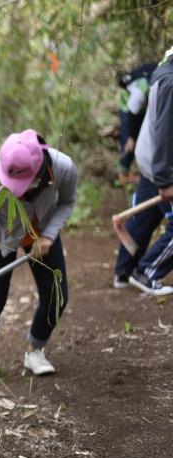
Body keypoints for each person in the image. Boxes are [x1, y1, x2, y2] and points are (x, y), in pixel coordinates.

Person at [0, 129, 77, 385]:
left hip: (41, 231)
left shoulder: (63, 167)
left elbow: (67, 201)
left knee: (56, 295)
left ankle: (35, 350)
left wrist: (48, 236)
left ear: (38, 172)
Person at [115, 46, 173, 296]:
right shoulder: (169, 82)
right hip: (159, 162)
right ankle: (147, 271)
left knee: (143, 219)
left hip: (150, 157)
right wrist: (165, 179)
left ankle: (123, 272)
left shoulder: (162, 71)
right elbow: (165, 133)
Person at [116, 63, 156, 184]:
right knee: (130, 142)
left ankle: (128, 172)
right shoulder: (141, 89)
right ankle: (123, 173)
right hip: (128, 108)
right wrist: (131, 136)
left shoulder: (156, 79)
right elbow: (132, 111)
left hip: (140, 107)